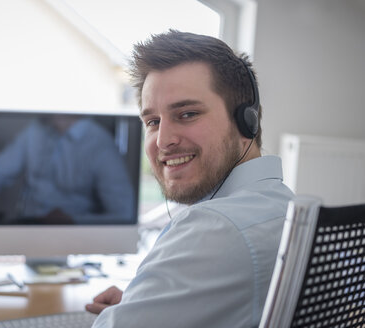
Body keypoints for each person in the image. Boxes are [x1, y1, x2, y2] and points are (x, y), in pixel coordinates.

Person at [85, 30, 294, 327]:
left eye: (187, 114)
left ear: (247, 121)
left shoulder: (214, 226)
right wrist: (148, 302)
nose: (163, 141)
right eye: (153, 122)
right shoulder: (282, 204)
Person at [0, 114, 135, 225]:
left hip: (76, 236)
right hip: (29, 229)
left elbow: (124, 212)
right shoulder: (34, 131)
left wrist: (73, 220)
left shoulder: (100, 143)